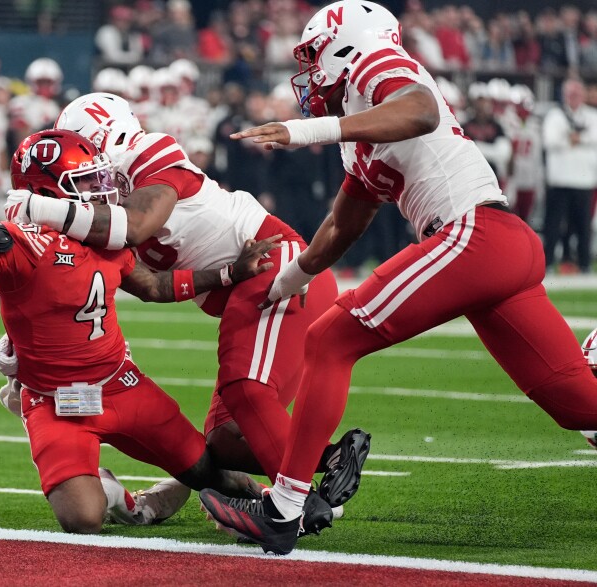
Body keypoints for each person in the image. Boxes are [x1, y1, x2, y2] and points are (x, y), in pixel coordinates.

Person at [196, 0, 597, 556]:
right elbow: (342, 225)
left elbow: (421, 111)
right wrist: (284, 282)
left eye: (313, 57)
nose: (308, 73)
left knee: (330, 340)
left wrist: (307, 130)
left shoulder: (376, 63)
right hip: (498, 247)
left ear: (344, 45)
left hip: (473, 233)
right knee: (579, 405)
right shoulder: (365, 129)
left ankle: (285, 510)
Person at [0, 129, 276, 534]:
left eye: (98, 177)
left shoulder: (106, 237)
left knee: (209, 471)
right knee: (82, 518)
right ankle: (123, 498)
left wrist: (229, 273)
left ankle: (276, 502)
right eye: (85, 181)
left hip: (121, 385)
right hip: (54, 402)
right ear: (45, 190)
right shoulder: (22, 243)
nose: (100, 188)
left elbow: (154, 286)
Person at [3, 92, 370, 509]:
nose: (84, 166)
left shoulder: (150, 151)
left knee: (246, 390)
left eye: (85, 152)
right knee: (225, 441)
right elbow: (138, 285)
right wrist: (20, 350)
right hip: (246, 288)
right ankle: (332, 460)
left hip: (275, 265)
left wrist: (40, 207)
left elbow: (135, 227)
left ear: (107, 136)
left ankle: (292, 508)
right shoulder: (98, 207)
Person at [542, 78, 597, 274]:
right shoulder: (554, 116)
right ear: (564, 96)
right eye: (571, 94)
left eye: (577, 94)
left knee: (583, 226)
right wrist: (573, 140)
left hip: (584, 180)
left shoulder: (591, 115)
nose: (574, 98)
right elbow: (549, 140)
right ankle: (547, 263)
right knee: (553, 224)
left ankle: (584, 263)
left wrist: (576, 139)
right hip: (559, 179)